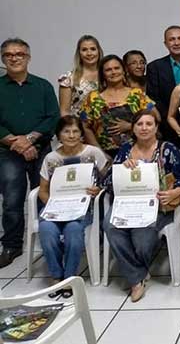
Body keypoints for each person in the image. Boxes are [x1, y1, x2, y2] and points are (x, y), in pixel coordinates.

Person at [103, 109, 180, 302]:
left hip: (158, 206)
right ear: (133, 128)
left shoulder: (168, 149)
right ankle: (137, 279)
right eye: (139, 124)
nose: (144, 128)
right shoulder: (125, 150)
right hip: (127, 204)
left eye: (149, 124)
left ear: (156, 127)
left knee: (141, 240)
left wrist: (174, 193)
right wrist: (121, 170)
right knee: (110, 225)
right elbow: (108, 182)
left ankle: (136, 270)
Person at [0, 38, 60, 268]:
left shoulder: (43, 86)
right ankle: (12, 245)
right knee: (12, 201)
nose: (14, 58)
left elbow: (53, 117)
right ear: (3, 59)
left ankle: (49, 239)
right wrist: (16, 142)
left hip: (40, 149)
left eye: (19, 54)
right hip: (7, 152)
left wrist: (30, 139)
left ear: (28, 57)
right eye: (8, 55)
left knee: (46, 196)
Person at [38, 116, 109, 296]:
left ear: (81, 134)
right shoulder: (51, 158)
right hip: (56, 208)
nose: (71, 135)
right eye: (66, 131)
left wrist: (98, 188)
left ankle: (69, 277)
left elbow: (108, 179)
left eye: (76, 131)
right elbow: (42, 191)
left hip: (83, 209)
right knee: (46, 229)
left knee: (73, 230)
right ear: (59, 135)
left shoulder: (93, 153)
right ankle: (56, 276)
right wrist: (53, 207)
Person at [81, 54, 156, 159]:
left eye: (117, 68)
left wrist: (131, 126)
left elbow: (156, 118)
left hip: (137, 153)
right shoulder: (92, 98)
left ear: (124, 70)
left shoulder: (136, 94)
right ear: (102, 74)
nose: (113, 72)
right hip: (104, 155)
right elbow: (85, 127)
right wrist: (100, 154)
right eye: (108, 70)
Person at [146, 25, 180, 143]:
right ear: (165, 43)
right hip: (166, 128)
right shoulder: (154, 67)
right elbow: (153, 98)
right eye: (172, 39)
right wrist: (172, 121)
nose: (176, 43)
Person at [58, 35, 103, 117]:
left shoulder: (107, 75)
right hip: (77, 126)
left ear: (99, 51)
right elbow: (64, 111)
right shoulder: (68, 78)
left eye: (93, 49)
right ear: (79, 53)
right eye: (84, 50)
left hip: (104, 126)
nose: (89, 53)